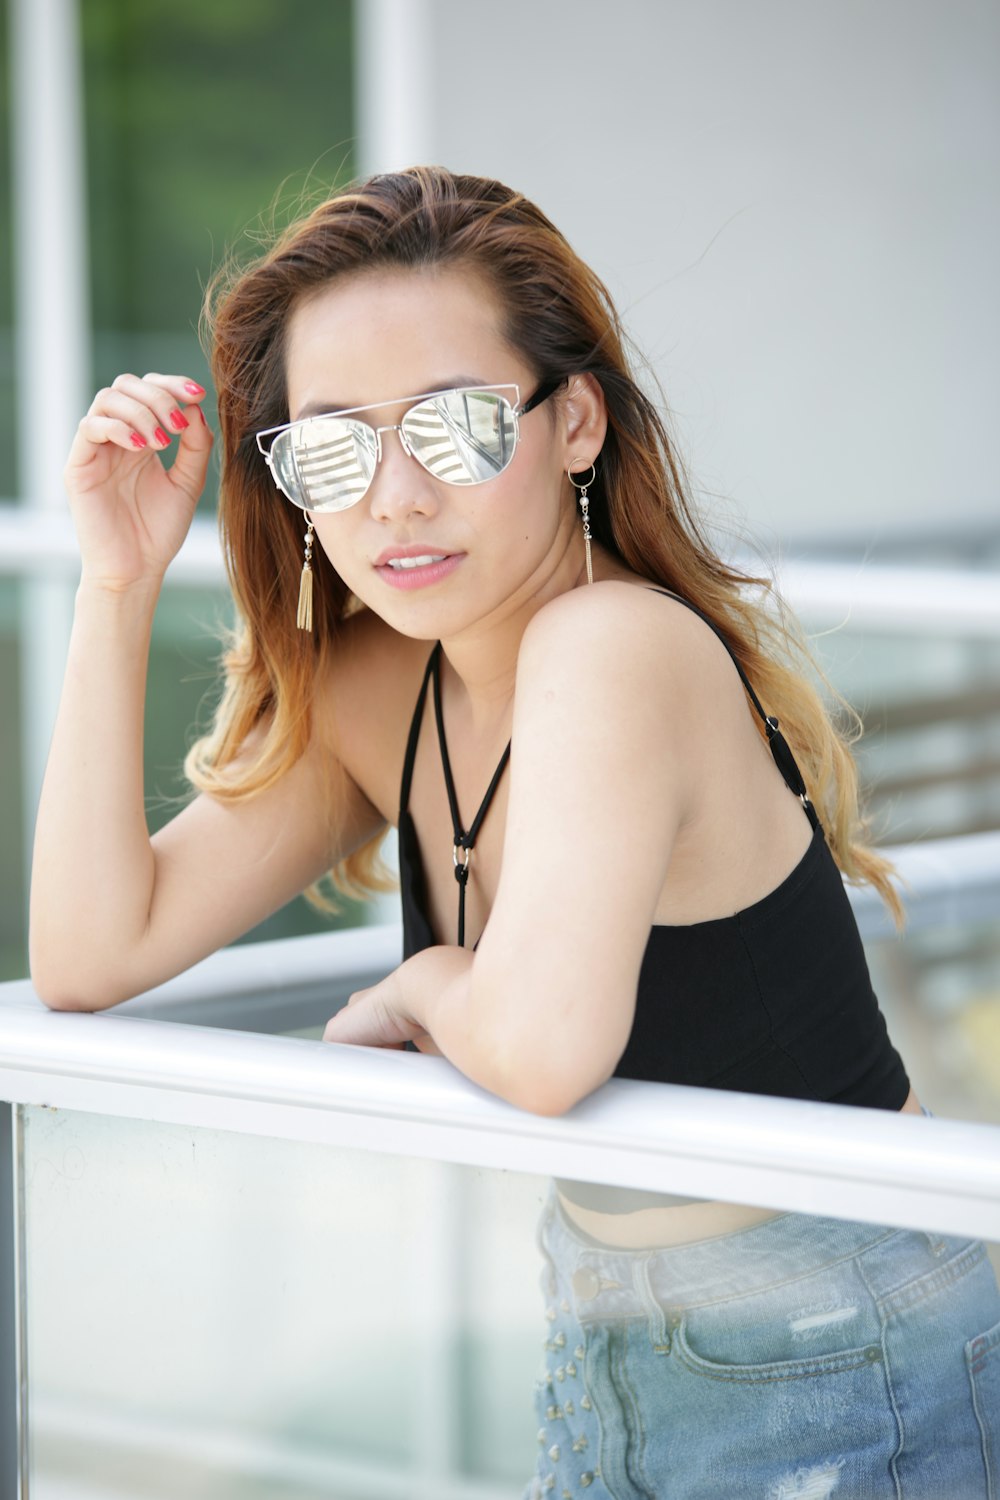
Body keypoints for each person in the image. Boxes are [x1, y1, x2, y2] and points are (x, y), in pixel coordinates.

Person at [31, 166, 999, 1496]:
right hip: (608, 1329)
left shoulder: (615, 647)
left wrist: (426, 979)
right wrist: (117, 579)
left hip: (847, 1335)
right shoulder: (388, 687)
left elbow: (545, 1049)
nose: (393, 498)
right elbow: (92, 953)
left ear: (576, 422)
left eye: (456, 428)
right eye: (331, 445)